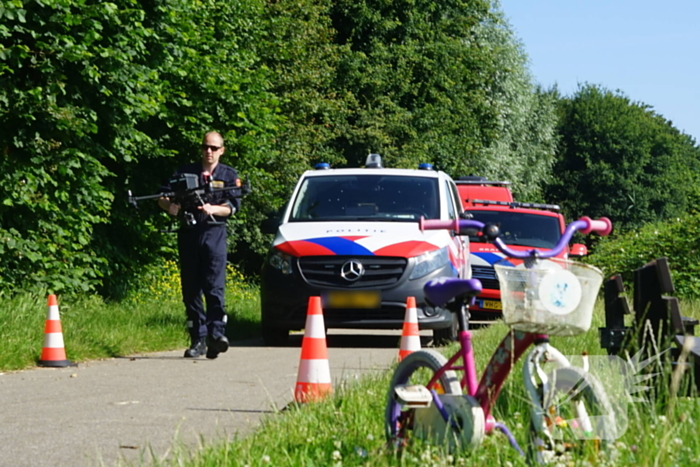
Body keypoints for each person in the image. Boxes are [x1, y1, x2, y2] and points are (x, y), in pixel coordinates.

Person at [158, 131, 242, 359]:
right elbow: (163, 196)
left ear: (222, 151)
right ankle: (198, 338)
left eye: (214, 148)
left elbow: (233, 206)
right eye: (206, 146)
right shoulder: (184, 172)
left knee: (214, 287)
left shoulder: (228, 175)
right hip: (189, 234)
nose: (209, 151)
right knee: (191, 289)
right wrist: (169, 207)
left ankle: (217, 335)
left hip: (214, 233)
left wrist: (214, 209)